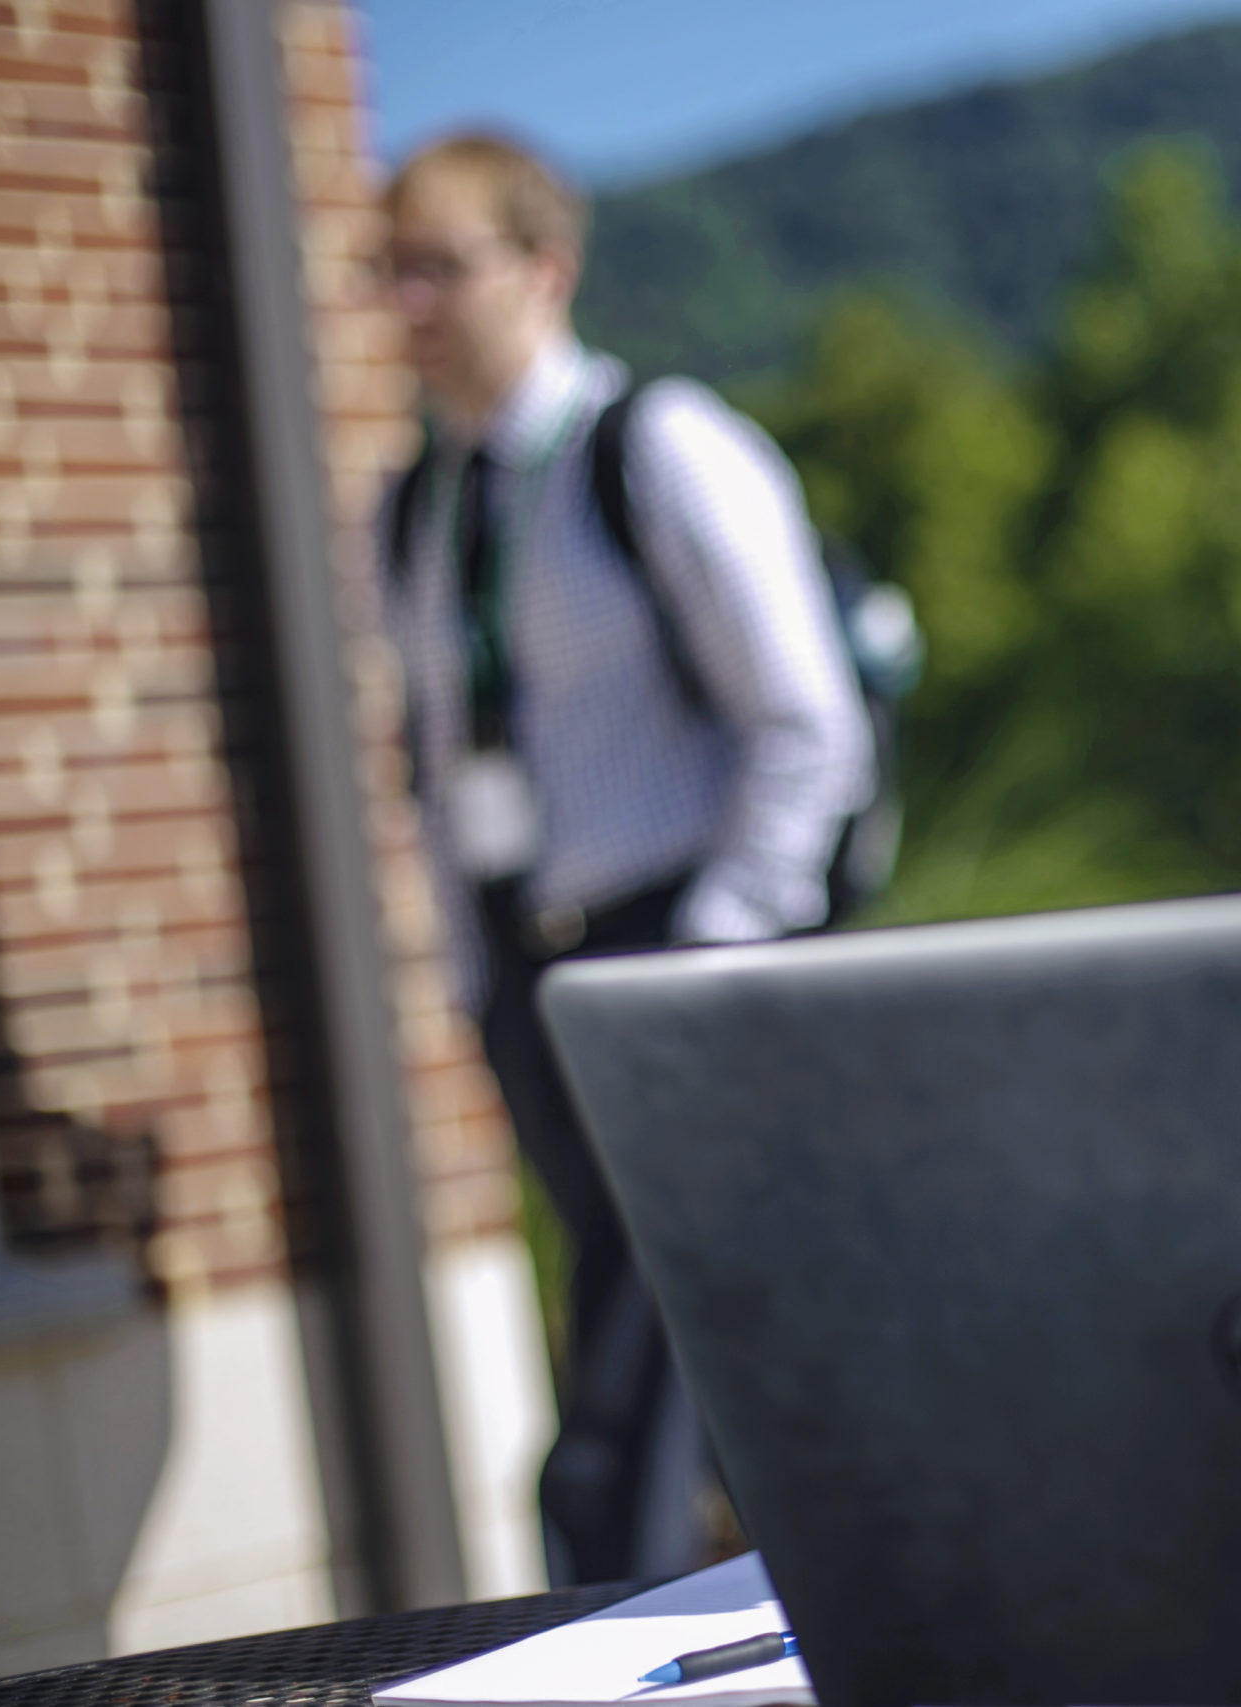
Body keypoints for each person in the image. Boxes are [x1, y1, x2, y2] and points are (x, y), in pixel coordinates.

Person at [374, 135, 875, 1583]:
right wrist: (476, 975)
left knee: (633, 1340)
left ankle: (600, 1604)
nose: (407, 304)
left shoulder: (658, 449)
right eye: (386, 271)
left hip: (682, 942)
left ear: (544, 269)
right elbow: (428, 755)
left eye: (439, 266)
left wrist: (711, 951)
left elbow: (805, 725)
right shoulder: (410, 509)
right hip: (526, 957)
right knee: (712, 1327)